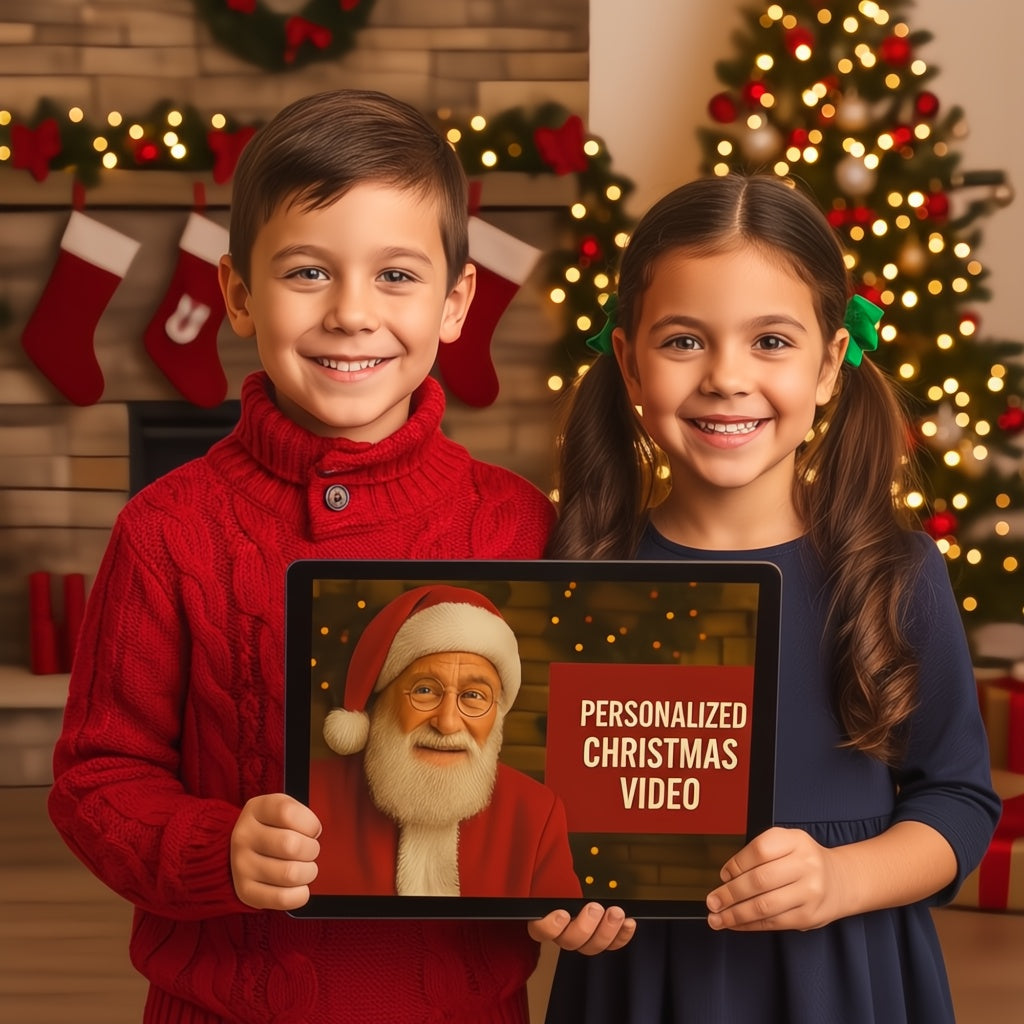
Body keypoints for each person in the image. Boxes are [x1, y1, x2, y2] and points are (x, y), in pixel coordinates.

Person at [47, 88, 633, 1024]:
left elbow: (573, 784)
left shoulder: (520, 526)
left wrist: (592, 889)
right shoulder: (167, 529)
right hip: (224, 1007)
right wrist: (215, 847)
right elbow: (94, 780)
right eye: (308, 273)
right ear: (239, 295)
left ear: (455, 303)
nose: (352, 314)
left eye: (396, 276)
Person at [543, 173, 1001, 1023]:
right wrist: (544, 888)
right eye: (683, 341)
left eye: (771, 342)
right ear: (629, 363)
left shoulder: (896, 573)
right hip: (641, 983)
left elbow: (959, 799)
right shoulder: (577, 571)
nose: (725, 377)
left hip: (846, 979)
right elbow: (529, 807)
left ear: (830, 364)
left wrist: (842, 878)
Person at [310, 584, 582, 898]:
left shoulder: (536, 812)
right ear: (380, 702)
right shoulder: (308, 796)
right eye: (425, 691)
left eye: (473, 696)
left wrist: (582, 938)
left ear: (497, 715)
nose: (448, 723)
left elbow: (565, 931)